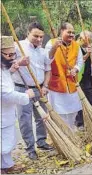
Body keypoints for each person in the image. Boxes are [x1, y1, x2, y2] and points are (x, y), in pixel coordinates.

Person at [12, 22, 53, 160]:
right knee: (25, 120)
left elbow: (48, 70)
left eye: (41, 36)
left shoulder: (43, 51)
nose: (39, 39)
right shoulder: (17, 46)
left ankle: (41, 141)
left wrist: (45, 86)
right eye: (36, 36)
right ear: (28, 33)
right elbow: (6, 65)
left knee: (42, 117)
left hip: (40, 88)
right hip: (22, 88)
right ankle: (30, 148)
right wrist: (19, 63)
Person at [1, 36, 35, 173]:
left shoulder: (3, 67)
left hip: (6, 113)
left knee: (7, 140)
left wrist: (10, 71)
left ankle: (7, 165)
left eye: (13, 54)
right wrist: (26, 96)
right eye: (8, 55)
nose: (11, 58)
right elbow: (5, 94)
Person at [46, 22, 83, 131]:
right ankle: (61, 131)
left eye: (73, 33)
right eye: (69, 32)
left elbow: (80, 61)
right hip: (56, 85)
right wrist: (54, 48)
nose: (71, 35)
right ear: (62, 31)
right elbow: (47, 59)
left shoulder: (76, 45)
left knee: (73, 110)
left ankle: (71, 130)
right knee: (59, 111)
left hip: (72, 84)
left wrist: (75, 69)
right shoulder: (51, 43)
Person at [75, 31, 92, 129]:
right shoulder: (75, 47)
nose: (89, 41)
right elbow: (79, 62)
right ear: (81, 38)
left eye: (90, 40)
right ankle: (80, 122)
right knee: (80, 101)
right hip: (79, 78)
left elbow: (91, 61)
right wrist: (87, 54)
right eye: (87, 39)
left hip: (88, 77)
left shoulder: (88, 47)